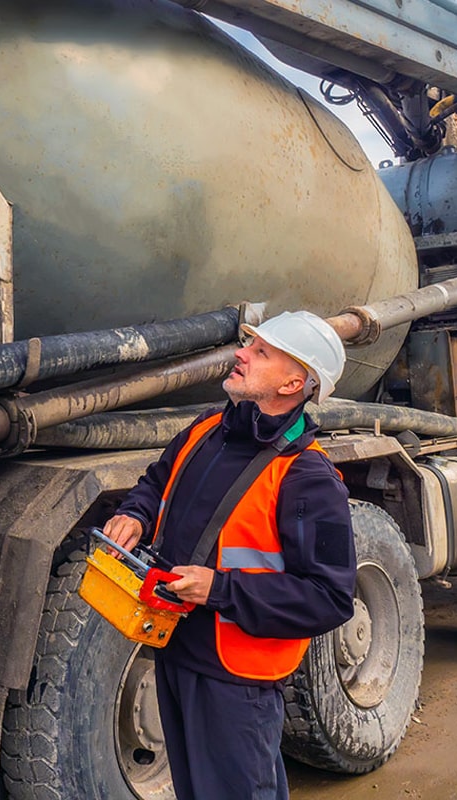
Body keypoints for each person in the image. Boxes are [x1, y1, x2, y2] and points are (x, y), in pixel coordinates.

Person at [103, 310, 356, 800]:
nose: (240, 353)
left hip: (236, 680)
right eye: (250, 344)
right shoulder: (207, 429)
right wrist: (136, 514)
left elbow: (329, 598)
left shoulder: (308, 478)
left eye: (260, 352)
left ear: (292, 383)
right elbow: (157, 483)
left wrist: (217, 588)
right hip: (176, 651)